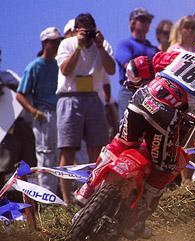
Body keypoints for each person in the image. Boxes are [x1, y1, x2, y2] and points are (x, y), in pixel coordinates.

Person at [75, 38, 195, 238]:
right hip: (166, 114)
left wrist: (133, 81)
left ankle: (87, 189)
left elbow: (137, 66)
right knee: (164, 170)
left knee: (120, 143)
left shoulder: (179, 55)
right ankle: (135, 221)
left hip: (141, 99)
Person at [55, 13, 115, 204]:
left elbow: (111, 70)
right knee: (68, 150)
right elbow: (65, 70)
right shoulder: (67, 44)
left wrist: (99, 46)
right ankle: (66, 200)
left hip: (93, 98)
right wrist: (79, 46)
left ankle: (92, 193)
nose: (87, 33)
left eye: (90, 29)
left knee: (96, 148)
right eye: (84, 30)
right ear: (76, 29)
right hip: (69, 97)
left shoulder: (102, 45)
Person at [15, 27, 62, 193]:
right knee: (46, 154)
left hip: (60, 112)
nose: (57, 45)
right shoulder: (34, 66)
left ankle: (61, 195)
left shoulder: (59, 64)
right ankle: (47, 197)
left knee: (61, 153)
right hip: (44, 114)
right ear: (44, 43)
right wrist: (34, 111)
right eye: (54, 42)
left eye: (58, 42)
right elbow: (20, 94)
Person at [0, 50, 37, 186]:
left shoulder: (9, 74)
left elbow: (23, 90)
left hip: (20, 122)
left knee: (27, 164)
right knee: (3, 166)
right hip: (3, 127)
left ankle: (28, 201)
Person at [115, 8, 158, 118]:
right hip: (130, 90)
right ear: (133, 22)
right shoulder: (125, 44)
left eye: (149, 20)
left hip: (149, 92)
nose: (147, 23)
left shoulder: (153, 49)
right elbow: (129, 66)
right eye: (143, 19)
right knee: (127, 127)